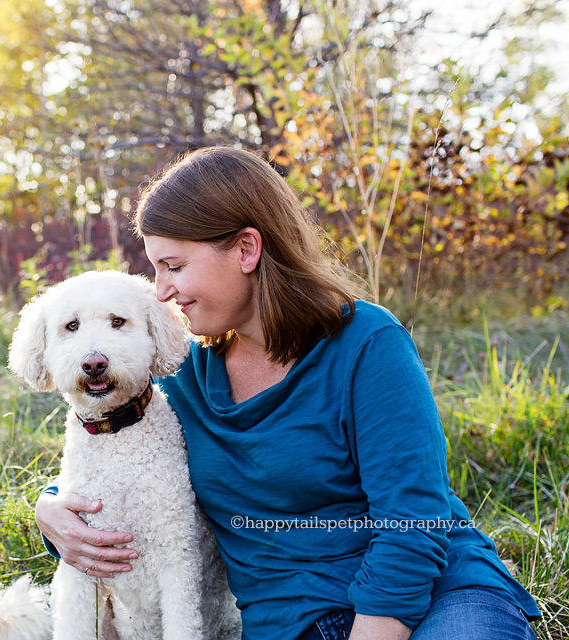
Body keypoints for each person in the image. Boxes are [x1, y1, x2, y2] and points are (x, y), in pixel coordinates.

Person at [34, 146, 542, 640]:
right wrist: (51, 506)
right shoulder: (182, 370)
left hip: (431, 598)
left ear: (247, 250)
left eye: (175, 265)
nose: (162, 290)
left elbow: (413, 522)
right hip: (291, 619)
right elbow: (116, 440)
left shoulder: (367, 345)